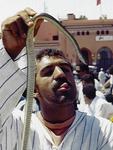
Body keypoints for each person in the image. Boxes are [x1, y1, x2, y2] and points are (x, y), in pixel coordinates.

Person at [1, 7, 113, 150]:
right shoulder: (15, 126)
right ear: (34, 89)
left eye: (66, 69)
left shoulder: (104, 131)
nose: (61, 74)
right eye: (48, 72)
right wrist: (7, 52)